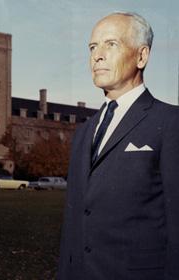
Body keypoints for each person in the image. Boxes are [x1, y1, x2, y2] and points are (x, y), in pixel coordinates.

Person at [58, 12, 179, 280]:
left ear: (141, 56)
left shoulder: (171, 123)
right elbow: (73, 225)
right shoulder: (83, 133)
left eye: (110, 44)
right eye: (92, 47)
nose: (96, 56)